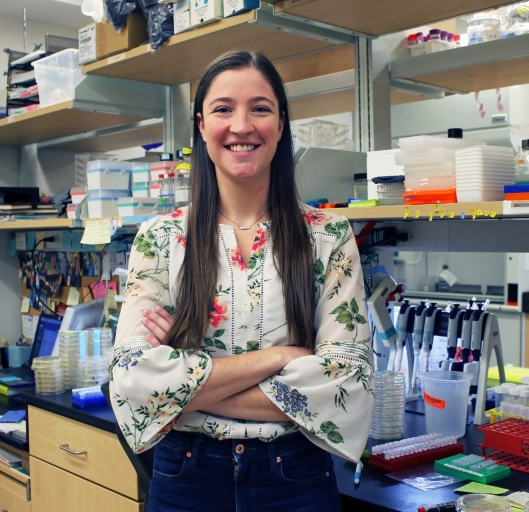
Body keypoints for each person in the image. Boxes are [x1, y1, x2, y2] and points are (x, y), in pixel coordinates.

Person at [109, 50, 373, 512]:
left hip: (295, 479)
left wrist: (185, 390)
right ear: (201, 127)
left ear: (282, 123)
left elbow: (347, 383)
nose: (242, 125)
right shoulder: (161, 239)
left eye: (260, 108)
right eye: (223, 108)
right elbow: (132, 381)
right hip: (185, 479)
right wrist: (282, 358)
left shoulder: (328, 237)